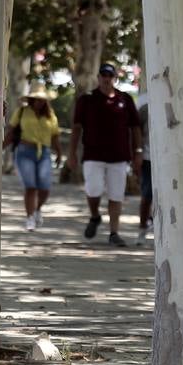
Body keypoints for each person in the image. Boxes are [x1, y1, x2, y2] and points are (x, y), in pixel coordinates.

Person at [65, 62, 143, 247]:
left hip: (119, 156)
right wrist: (72, 153)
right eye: (103, 75)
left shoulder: (125, 99)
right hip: (93, 155)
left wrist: (137, 152)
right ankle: (94, 216)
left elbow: (135, 128)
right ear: (98, 78)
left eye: (110, 76)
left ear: (114, 78)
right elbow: (77, 128)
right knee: (94, 189)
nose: (106, 79)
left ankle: (114, 232)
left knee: (116, 195)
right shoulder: (87, 100)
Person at [4, 84, 62, 231]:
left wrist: (60, 153)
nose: (39, 102)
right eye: (36, 99)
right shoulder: (22, 111)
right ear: (31, 99)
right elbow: (11, 131)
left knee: (45, 187)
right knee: (31, 186)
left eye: (42, 100)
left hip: (44, 152)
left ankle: (37, 209)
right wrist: (0, 148)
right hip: (25, 150)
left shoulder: (50, 115)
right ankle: (30, 217)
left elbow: (55, 136)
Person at [136, 100, 153, 246]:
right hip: (148, 158)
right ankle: (142, 229)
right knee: (147, 195)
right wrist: (138, 153)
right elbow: (136, 131)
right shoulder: (145, 108)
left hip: (172, 159)